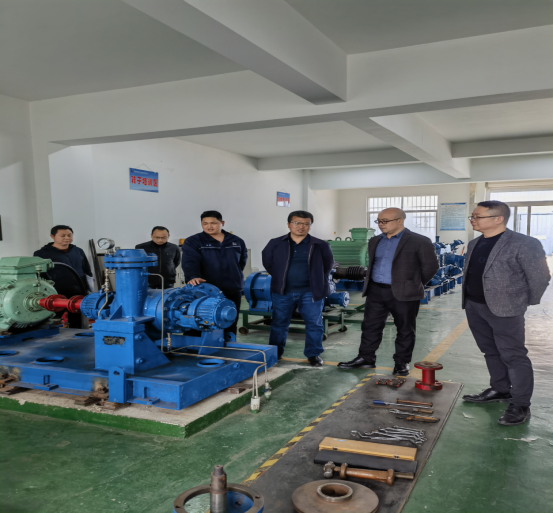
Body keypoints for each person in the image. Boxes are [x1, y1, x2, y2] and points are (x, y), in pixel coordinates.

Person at [461, 200, 550, 426]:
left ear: (498, 219)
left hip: (506, 308)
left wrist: (521, 302)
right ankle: (500, 389)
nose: (473, 220)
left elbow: (540, 277)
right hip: (474, 306)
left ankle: (520, 403)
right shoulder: (474, 243)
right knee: (490, 351)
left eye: (477, 216)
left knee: (513, 355)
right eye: (473, 216)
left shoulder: (524, 243)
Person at [338, 208, 439, 376]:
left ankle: (401, 362)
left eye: (385, 221)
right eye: (378, 221)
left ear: (400, 221)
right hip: (376, 290)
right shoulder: (375, 241)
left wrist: (412, 284)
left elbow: (431, 267)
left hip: (404, 292)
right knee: (370, 326)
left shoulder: (419, 241)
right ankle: (366, 358)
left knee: (405, 329)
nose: (380, 224)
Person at [262, 211, 334, 368]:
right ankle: (275, 352)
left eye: (306, 224)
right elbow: (268, 262)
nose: (301, 227)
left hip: (311, 292)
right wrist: (281, 277)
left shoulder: (320, 245)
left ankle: (313, 354)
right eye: (297, 223)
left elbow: (327, 266)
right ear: (289, 225)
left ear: (310, 226)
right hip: (283, 292)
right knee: (279, 324)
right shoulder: (275, 243)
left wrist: (315, 280)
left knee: (314, 324)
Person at [182, 211, 247, 336]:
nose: (209, 226)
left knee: (229, 319)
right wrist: (193, 276)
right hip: (205, 290)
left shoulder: (236, 241)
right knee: (199, 321)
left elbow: (241, 262)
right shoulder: (193, 241)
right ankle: (195, 346)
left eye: (213, 223)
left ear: (222, 223)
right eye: (205, 223)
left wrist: (234, 275)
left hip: (232, 288)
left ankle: (228, 343)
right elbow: (189, 261)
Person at [34, 225, 93, 328]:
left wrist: (89, 288)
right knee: (52, 321)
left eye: (69, 235)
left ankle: (77, 336)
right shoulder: (41, 254)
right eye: (63, 235)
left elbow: (87, 270)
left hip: (78, 292)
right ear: (52, 236)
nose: (67, 238)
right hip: (56, 294)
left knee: (78, 321)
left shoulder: (78, 251)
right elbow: (39, 275)